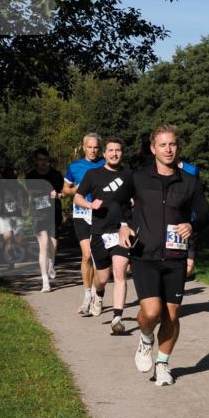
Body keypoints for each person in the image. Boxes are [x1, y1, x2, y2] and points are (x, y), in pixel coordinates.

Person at [118, 124, 209, 386]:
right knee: (151, 311)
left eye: (172, 144)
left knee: (172, 314)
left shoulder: (189, 181)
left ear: (177, 147)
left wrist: (192, 225)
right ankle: (146, 338)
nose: (168, 149)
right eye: (163, 145)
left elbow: (205, 215)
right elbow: (117, 202)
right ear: (153, 148)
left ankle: (162, 364)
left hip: (174, 257)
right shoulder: (137, 177)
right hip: (144, 254)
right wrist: (124, 224)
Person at [73, 138, 132, 335]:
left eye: (118, 150)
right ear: (104, 154)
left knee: (120, 272)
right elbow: (77, 197)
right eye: (110, 150)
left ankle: (117, 318)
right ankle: (98, 294)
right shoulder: (93, 174)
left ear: (122, 153)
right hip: (99, 233)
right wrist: (90, 205)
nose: (114, 154)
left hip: (121, 231)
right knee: (102, 277)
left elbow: (140, 199)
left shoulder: (129, 175)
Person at [63, 133, 105, 315]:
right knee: (87, 255)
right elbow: (65, 190)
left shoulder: (105, 164)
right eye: (90, 147)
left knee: (96, 256)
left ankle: (97, 293)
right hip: (81, 212)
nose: (93, 150)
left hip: (99, 213)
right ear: (84, 147)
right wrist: (77, 190)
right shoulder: (75, 166)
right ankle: (87, 295)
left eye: (96, 147)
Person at [26, 148, 64, 292]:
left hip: (54, 213)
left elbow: (63, 193)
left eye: (45, 160)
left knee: (52, 247)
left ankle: (52, 263)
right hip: (38, 215)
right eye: (40, 160)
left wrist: (58, 195)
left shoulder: (56, 175)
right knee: (44, 246)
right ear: (36, 161)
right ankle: (45, 281)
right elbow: (32, 195)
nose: (43, 162)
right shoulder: (31, 176)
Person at [0, 172, 28, 270]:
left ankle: (12, 254)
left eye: (14, 177)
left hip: (17, 216)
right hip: (4, 217)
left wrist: (24, 208)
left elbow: (26, 198)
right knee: (8, 240)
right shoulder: (0, 187)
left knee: (17, 241)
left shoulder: (20, 187)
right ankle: (10, 262)